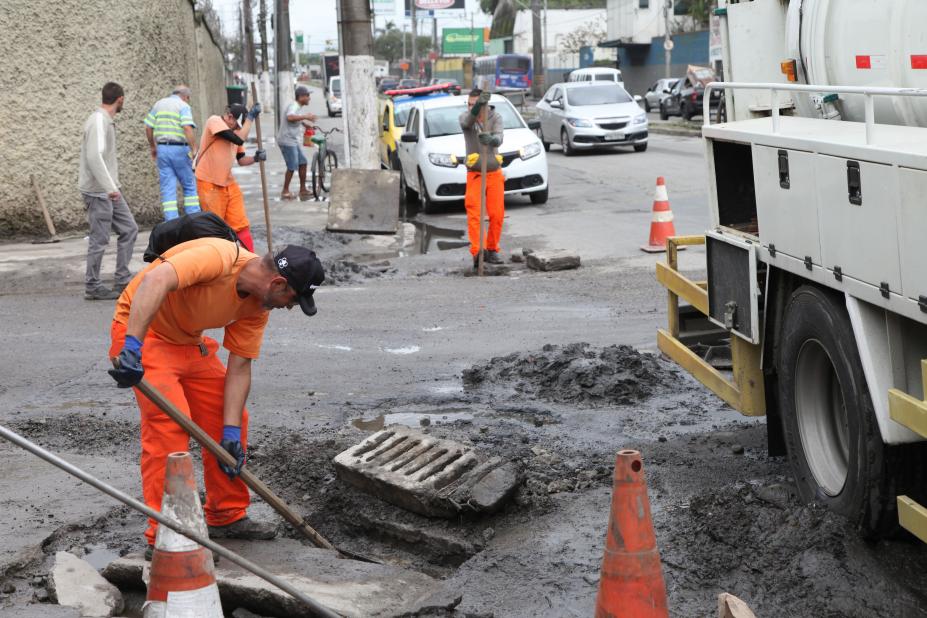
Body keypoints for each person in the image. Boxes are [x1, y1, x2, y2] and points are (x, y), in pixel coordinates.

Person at [107, 237, 325, 557]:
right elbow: (156, 278)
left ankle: (226, 515)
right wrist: (132, 346)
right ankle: (166, 533)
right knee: (169, 426)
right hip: (144, 332)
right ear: (278, 283)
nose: (290, 307)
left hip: (187, 342)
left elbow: (239, 367)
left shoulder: (258, 306)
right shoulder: (218, 257)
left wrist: (232, 430)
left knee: (228, 415)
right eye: (293, 298)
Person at [79, 82, 139, 300]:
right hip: (99, 192)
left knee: (129, 229)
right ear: (120, 99)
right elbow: (94, 157)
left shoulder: (103, 121)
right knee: (99, 238)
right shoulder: (98, 121)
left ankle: (122, 279)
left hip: (109, 189)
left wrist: (113, 187)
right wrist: (110, 188)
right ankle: (92, 285)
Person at [195, 103, 265, 251]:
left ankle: (250, 260)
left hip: (227, 183)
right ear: (230, 117)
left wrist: (255, 158)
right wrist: (251, 118)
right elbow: (239, 139)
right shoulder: (214, 121)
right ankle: (216, 264)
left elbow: (241, 159)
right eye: (238, 126)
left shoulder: (235, 135)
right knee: (215, 229)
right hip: (209, 183)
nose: (239, 130)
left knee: (240, 223)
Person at [459, 88, 505, 270]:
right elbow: (468, 120)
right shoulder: (465, 118)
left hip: (493, 171)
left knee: (496, 214)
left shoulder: (495, 117)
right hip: (475, 173)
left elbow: (500, 138)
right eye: (469, 104)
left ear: (486, 104)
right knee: (475, 214)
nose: (471, 107)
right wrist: (477, 107)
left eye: (475, 103)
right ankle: (479, 252)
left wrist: (492, 140)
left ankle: (492, 250)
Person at [144, 85, 200, 221]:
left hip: (162, 150)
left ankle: (172, 224)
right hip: (180, 150)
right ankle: (195, 221)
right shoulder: (183, 106)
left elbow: (148, 126)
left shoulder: (159, 104)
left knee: (168, 190)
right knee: (189, 187)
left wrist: (153, 146)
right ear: (186, 97)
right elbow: (187, 127)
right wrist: (194, 149)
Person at [277, 85, 317, 200]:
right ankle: (285, 191)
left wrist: (304, 124)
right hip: (286, 140)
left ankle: (303, 189)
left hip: (292, 140)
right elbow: (290, 117)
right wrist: (305, 117)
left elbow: (294, 118)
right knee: (292, 165)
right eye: (307, 96)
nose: (309, 98)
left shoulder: (298, 106)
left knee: (303, 162)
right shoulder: (294, 106)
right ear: (300, 97)